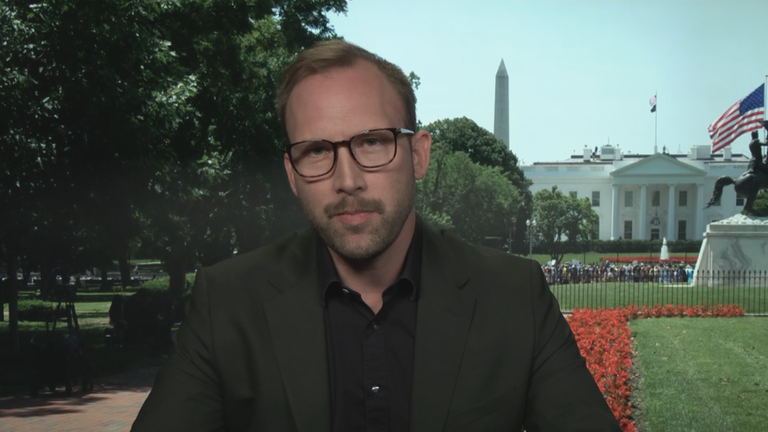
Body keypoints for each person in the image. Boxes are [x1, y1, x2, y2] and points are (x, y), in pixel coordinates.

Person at [132, 40, 621, 431]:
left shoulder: (514, 296)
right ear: (292, 172)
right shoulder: (227, 303)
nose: (347, 180)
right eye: (317, 151)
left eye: (371, 142)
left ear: (419, 154)